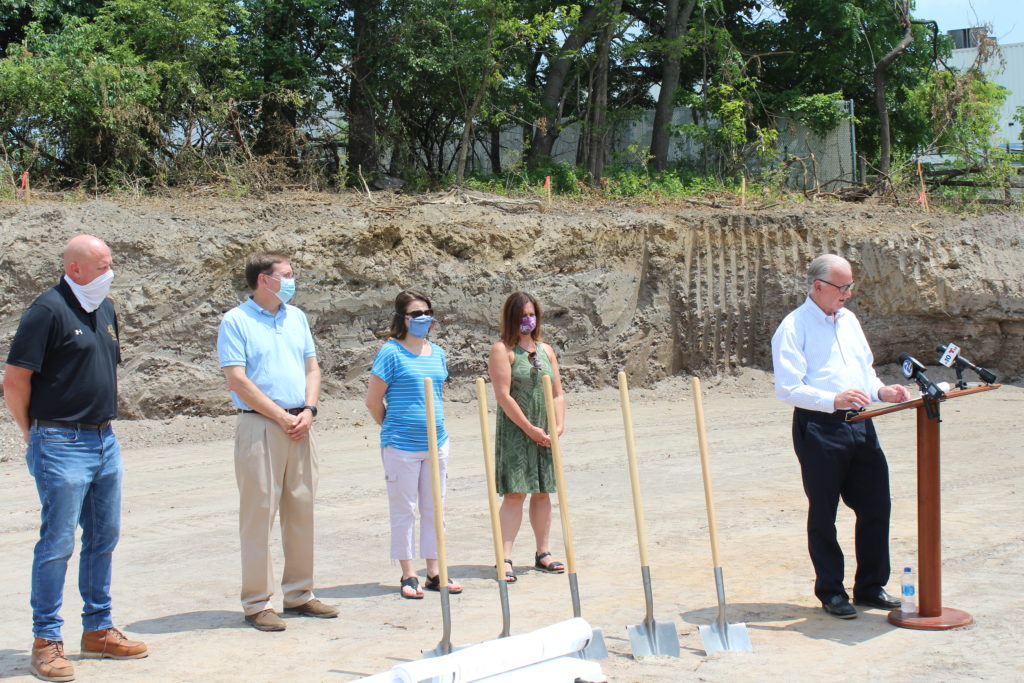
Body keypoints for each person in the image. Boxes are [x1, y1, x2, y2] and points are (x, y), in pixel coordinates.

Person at [3, 234, 148, 682]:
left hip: (104, 440)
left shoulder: (104, 309)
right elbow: (15, 381)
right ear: (75, 268)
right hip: (60, 442)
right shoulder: (46, 310)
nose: (111, 271)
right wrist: (35, 434)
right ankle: (46, 640)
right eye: (102, 265)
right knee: (57, 544)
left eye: (110, 263)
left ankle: (98, 630)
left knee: (104, 535)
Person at [771, 254, 912, 619]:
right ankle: (831, 592)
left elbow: (864, 372)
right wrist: (832, 399)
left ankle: (869, 587)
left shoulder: (849, 320)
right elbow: (788, 389)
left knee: (876, 506)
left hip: (861, 422)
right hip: (819, 427)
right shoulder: (793, 327)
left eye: (851, 286)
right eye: (842, 287)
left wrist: (883, 392)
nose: (848, 294)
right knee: (824, 513)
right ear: (818, 287)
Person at [216, 253, 338, 631]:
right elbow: (237, 380)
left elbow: (312, 368)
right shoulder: (235, 321)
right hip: (260, 426)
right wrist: (280, 415)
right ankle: (256, 602)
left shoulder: (296, 317)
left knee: (301, 510)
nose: (292, 280)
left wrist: (310, 410)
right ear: (264, 280)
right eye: (286, 275)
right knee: (259, 514)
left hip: (300, 424)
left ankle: (300, 594)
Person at [365, 290, 463, 599]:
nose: (422, 319)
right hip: (401, 446)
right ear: (402, 319)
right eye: (415, 314)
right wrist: (394, 428)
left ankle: (434, 571)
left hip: (437, 443)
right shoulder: (390, 352)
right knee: (404, 510)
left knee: (435, 508)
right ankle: (408, 574)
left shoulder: (437, 352)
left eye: (426, 312)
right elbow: (372, 401)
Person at [486, 292, 566, 583]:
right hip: (517, 431)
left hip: (545, 430)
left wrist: (557, 427)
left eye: (531, 314)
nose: (528, 320)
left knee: (543, 491)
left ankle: (543, 553)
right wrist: (528, 428)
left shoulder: (546, 350)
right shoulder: (502, 350)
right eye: (522, 316)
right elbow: (503, 396)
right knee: (515, 492)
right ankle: (504, 557)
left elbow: (557, 392)